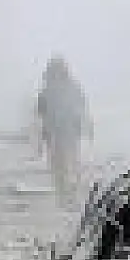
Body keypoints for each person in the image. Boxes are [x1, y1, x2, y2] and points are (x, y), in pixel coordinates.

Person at [36, 56, 92, 207]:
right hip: (60, 133)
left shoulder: (56, 89)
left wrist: (84, 126)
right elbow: (42, 113)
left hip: (64, 132)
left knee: (66, 165)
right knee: (63, 165)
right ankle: (66, 196)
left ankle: (67, 196)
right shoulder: (56, 89)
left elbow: (81, 108)